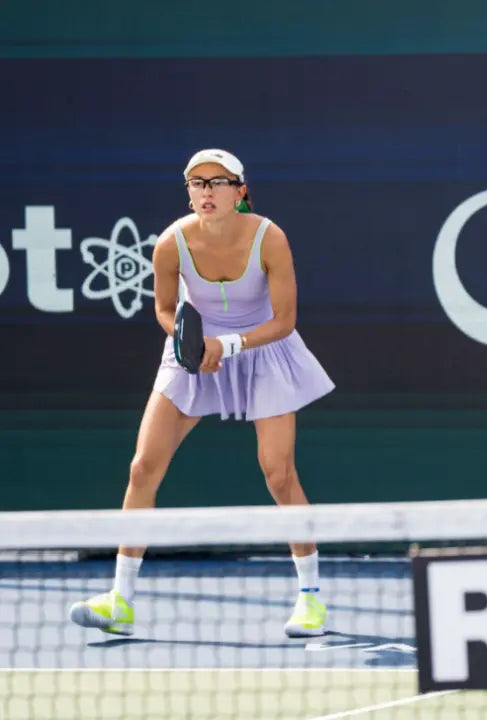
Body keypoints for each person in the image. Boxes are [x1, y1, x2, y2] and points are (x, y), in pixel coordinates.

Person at [69, 149, 336, 638]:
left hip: (261, 346)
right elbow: (166, 310)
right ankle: (121, 599)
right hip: (193, 350)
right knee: (142, 466)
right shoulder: (171, 243)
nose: (206, 192)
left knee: (279, 474)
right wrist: (188, 341)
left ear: (241, 191)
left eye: (217, 182)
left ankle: (311, 599)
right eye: (196, 183)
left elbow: (285, 321)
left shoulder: (269, 238)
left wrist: (227, 344)